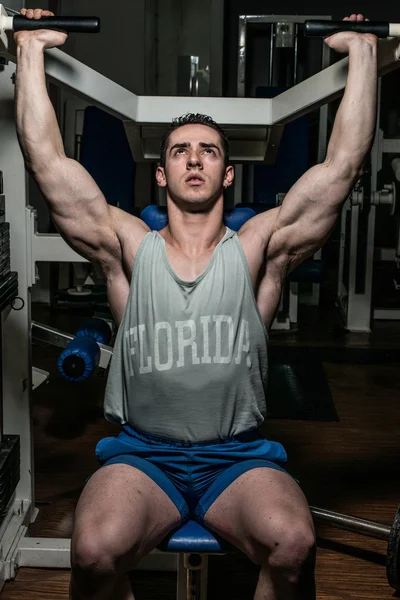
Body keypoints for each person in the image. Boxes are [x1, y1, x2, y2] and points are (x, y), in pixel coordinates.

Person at [14, 8, 378, 600]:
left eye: (208, 151)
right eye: (181, 150)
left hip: (237, 459)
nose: (193, 158)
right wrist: (31, 52)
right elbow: (50, 167)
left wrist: (360, 54)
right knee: (93, 551)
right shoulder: (129, 248)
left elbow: (340, 171)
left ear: (227, 175)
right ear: (161, 174)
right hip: (143, 456)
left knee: (294, 543)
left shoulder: (258, 248)